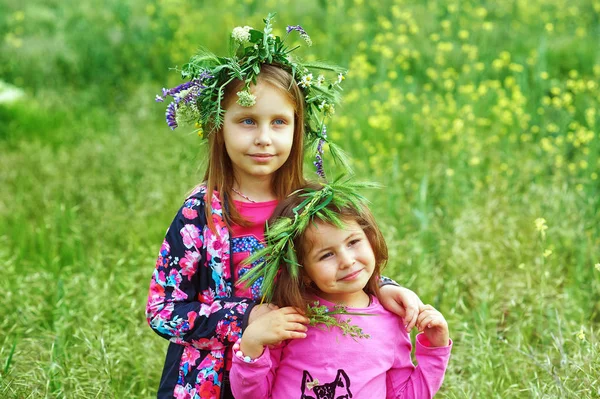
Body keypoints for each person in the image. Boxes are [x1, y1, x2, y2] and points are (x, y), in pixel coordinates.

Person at [146, 14, 424, 399]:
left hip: (297, 377)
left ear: (298, 127)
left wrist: (384, 287)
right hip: (209, 382)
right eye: (247, 121)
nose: (264, 138)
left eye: (279, 122)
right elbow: (163, 311)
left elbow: (336, 262)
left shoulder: (313, 204)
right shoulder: (201, 212)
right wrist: (246, 319)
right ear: (218, 126)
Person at [230, 180, 452, 399]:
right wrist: (251, 346)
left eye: (353, 242)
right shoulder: (290, 319)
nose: (346, 261)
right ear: (302, 270)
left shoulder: (391, 323)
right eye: (326, 255)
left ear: (370, 239)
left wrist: (435, 349)